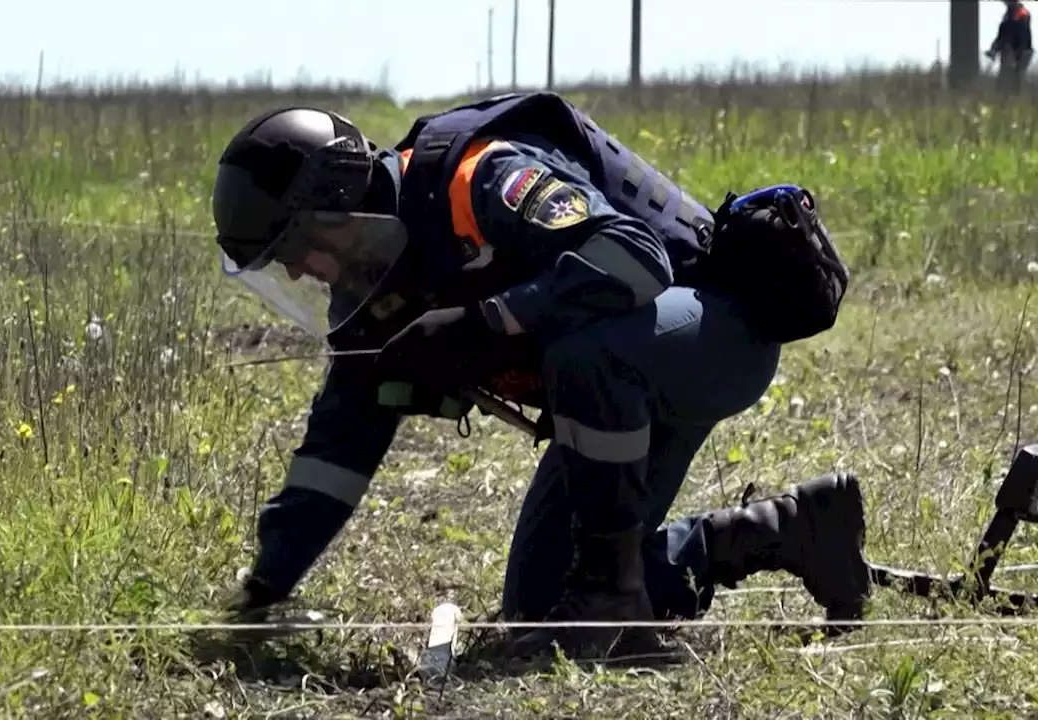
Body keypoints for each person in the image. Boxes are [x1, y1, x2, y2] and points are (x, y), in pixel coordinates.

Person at [210, 91, 866, 662]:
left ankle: (611, 591)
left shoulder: (477, 178)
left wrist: (482, 322)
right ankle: (788, 529)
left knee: (586, 351)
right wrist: (265, 587)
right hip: (622, 387)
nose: (296, 273)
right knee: (542, 611)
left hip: (715, 335)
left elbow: (636, 259)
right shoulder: (371, 291)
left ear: (338, 208)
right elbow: (336, 451)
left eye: (294, 250)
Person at [987, 1, 1034, 94]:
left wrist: (1017, 52)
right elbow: (1002, 33)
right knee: (1005, 79)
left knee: (1016, 80)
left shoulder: (1021, 13)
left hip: (1018, 51)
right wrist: (994, 48)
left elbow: (1018, 33)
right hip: (1011, 50)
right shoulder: (1009, 14)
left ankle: (1015, 100)